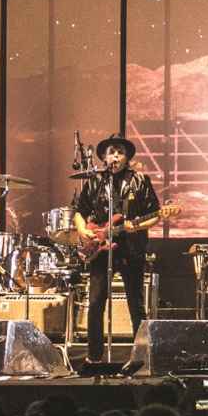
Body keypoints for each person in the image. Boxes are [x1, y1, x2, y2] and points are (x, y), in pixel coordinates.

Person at [73, 134, 161, 363]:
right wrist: (83, 230)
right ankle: (94, 356)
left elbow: (155, 214)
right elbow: (79, 211)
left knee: (136, 303)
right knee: (95, 302)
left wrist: (135, 227)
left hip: (131, 248)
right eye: (112, 152)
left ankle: (140, 356)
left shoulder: (140, 180)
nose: (116, 156)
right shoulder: (95, 182)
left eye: (120, 152)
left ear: (127, 157)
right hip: (101, 249)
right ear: (103, 156)